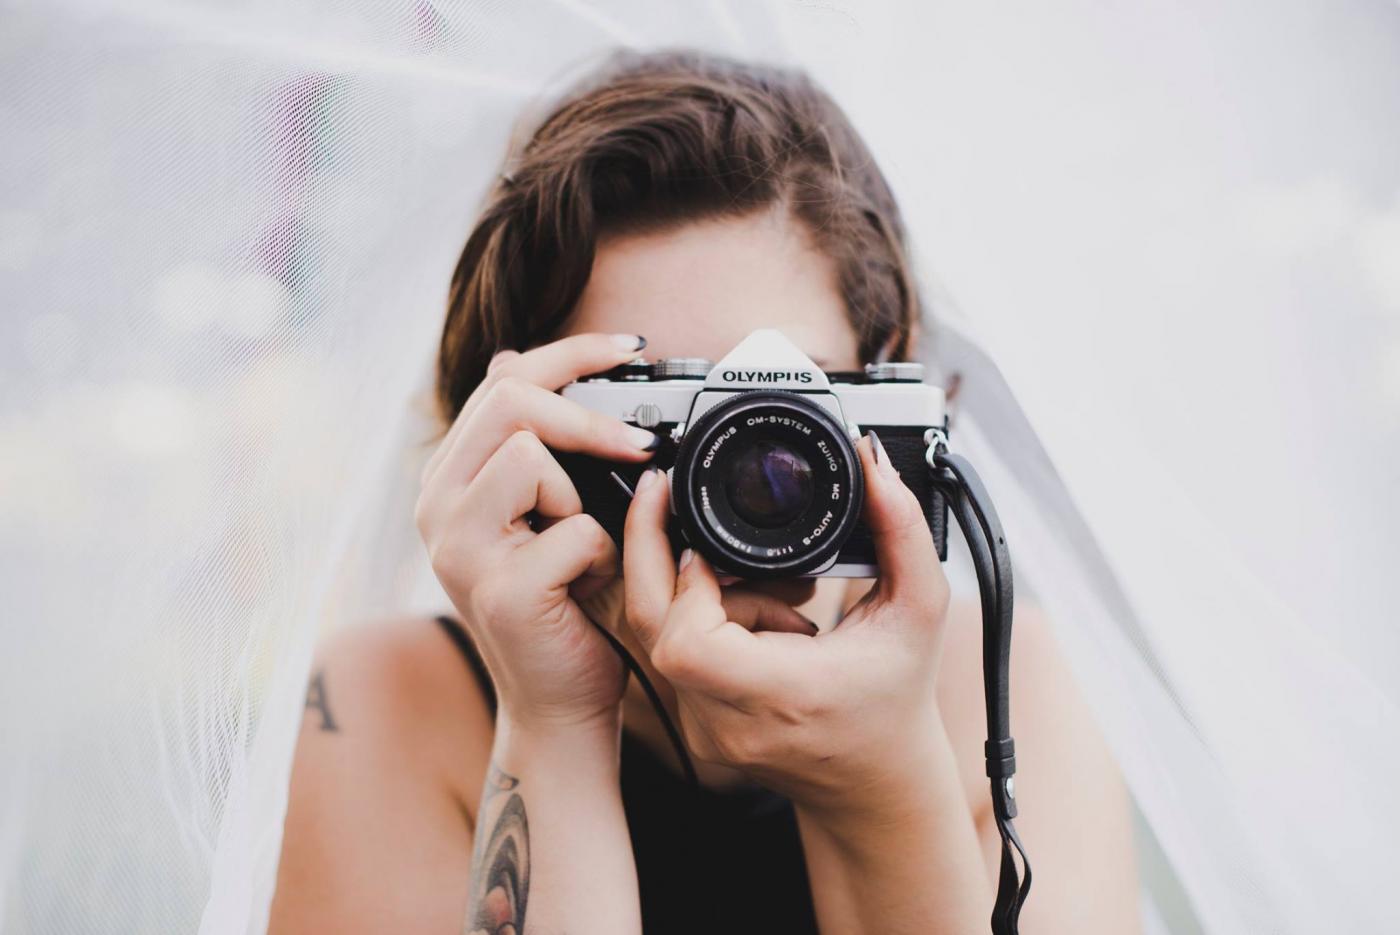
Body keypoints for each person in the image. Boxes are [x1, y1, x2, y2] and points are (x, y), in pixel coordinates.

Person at [269, 50, 1138, 935]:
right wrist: (551, 716)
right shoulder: (381, 703)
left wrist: (879, 777)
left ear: (893, 405)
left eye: (786, 409)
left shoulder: (1012, 682)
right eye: (661, 416)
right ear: (519, 435)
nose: (742, 475)